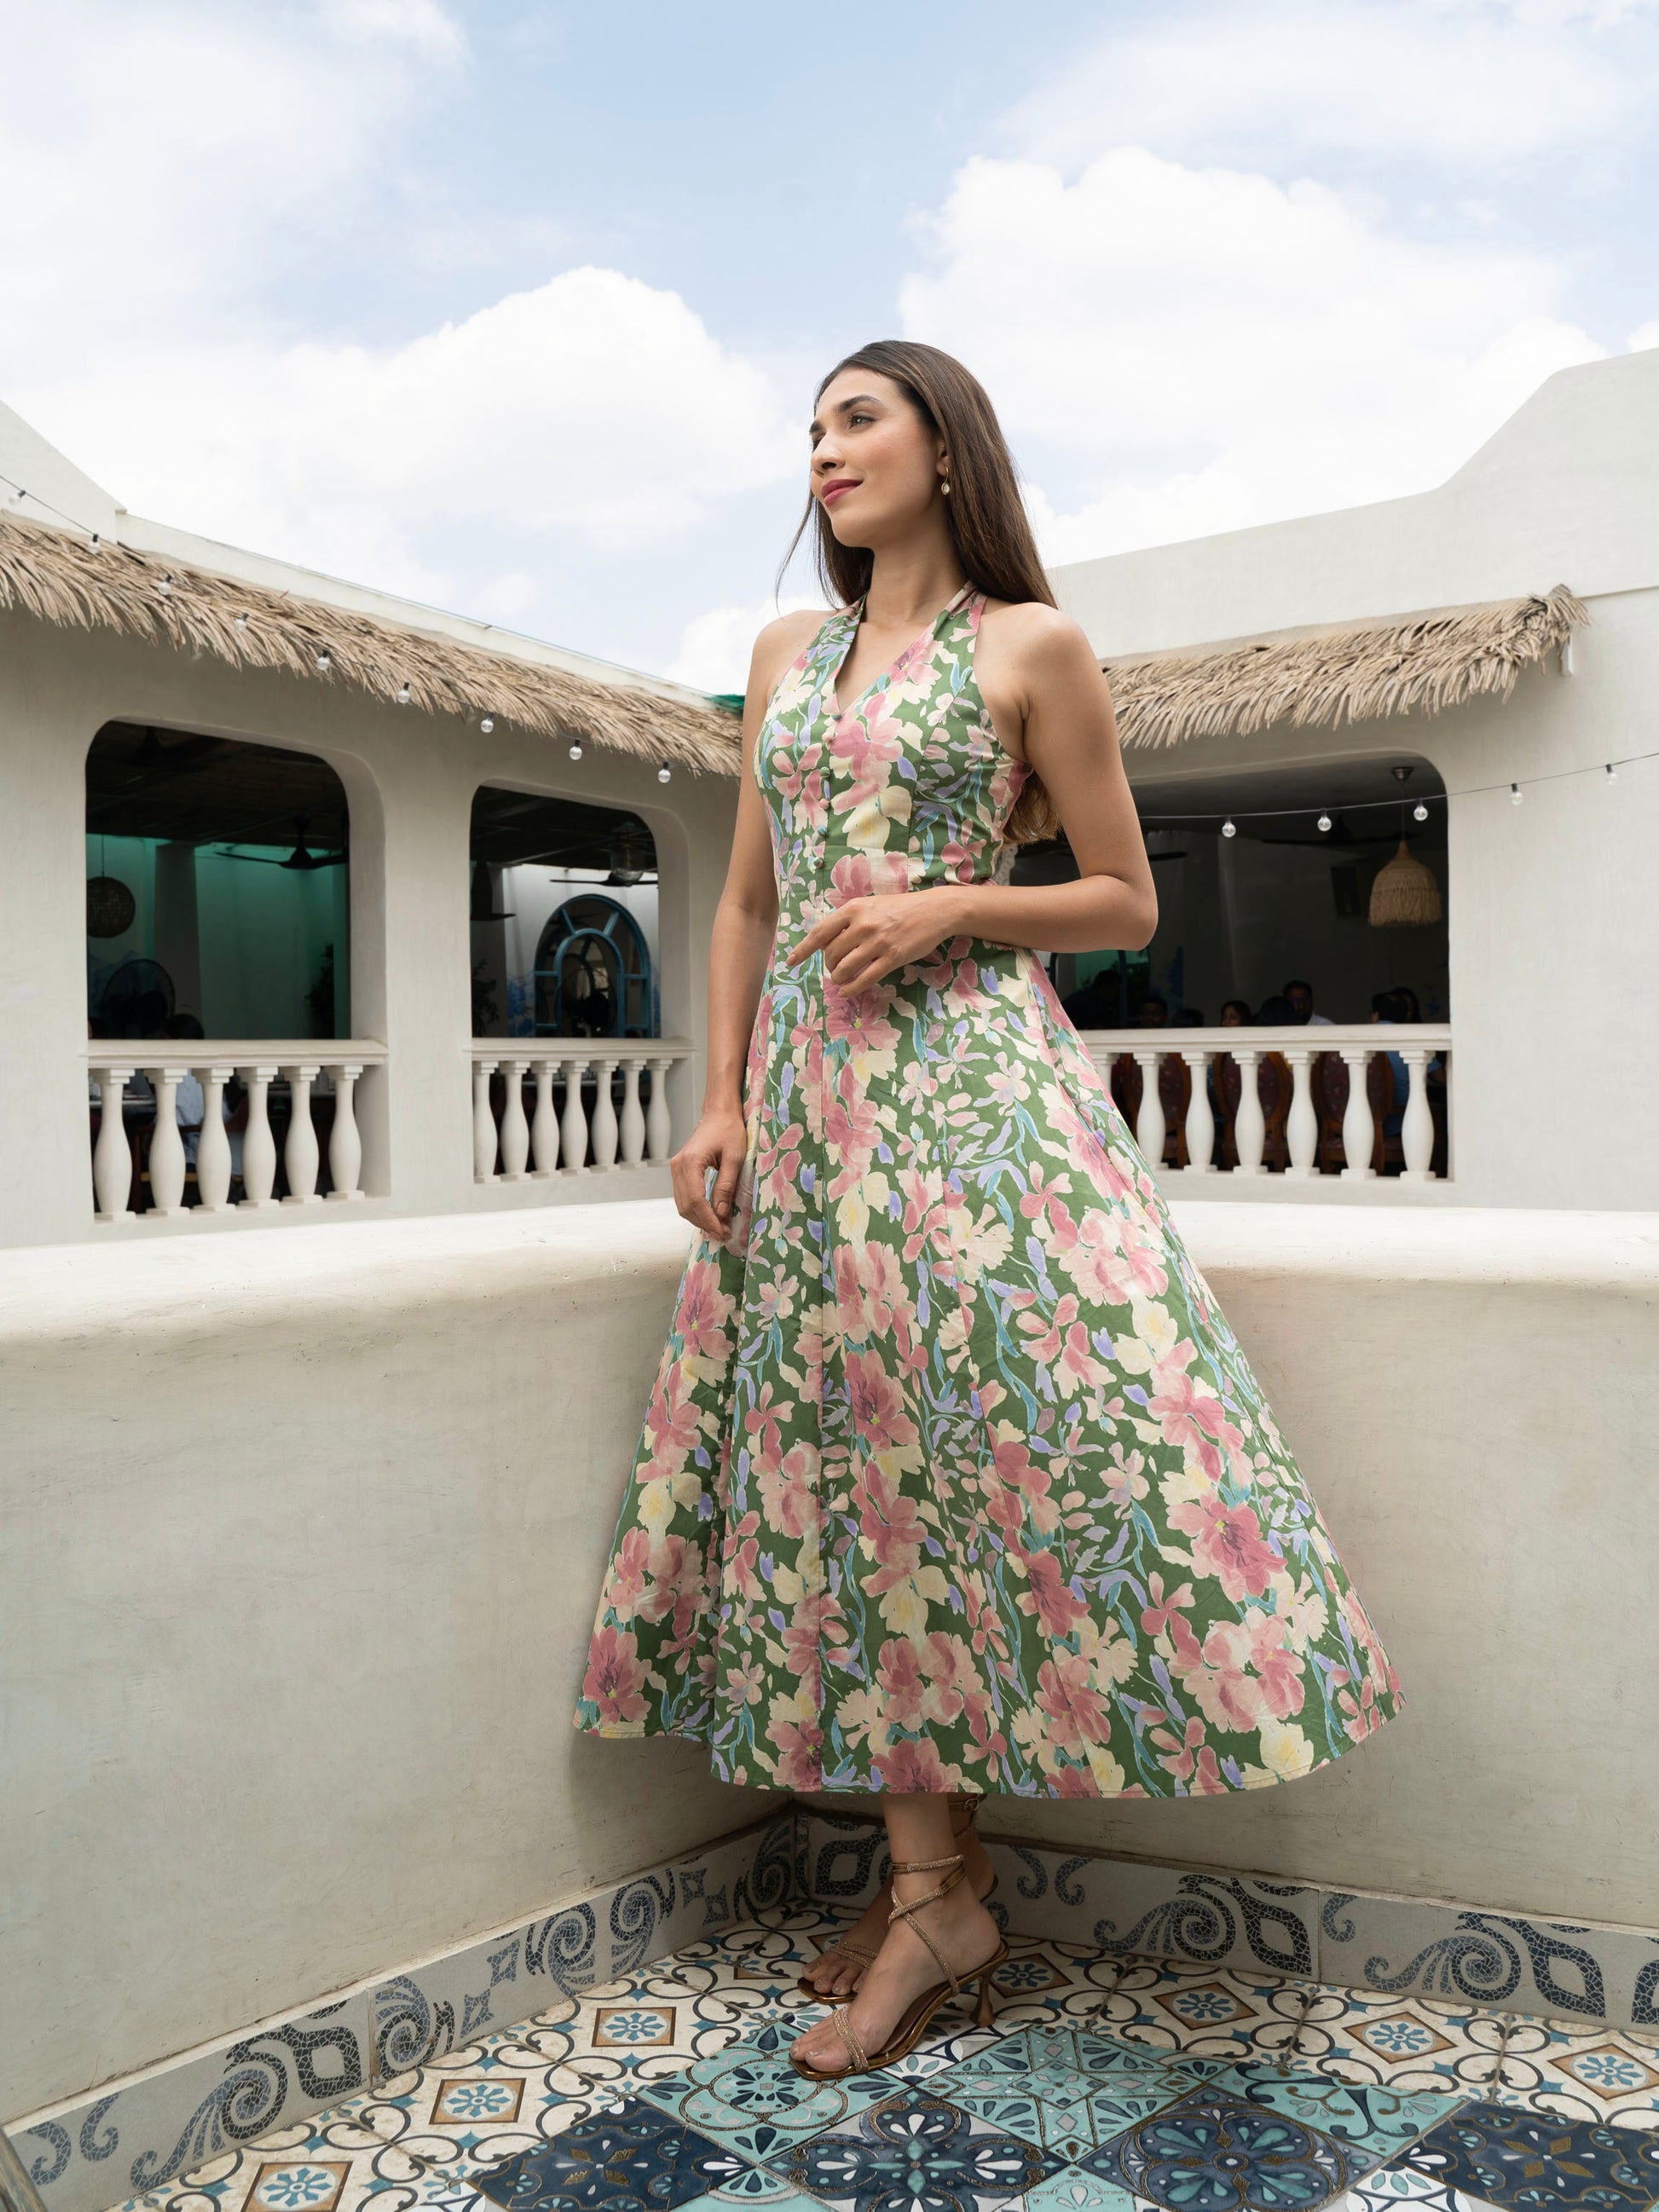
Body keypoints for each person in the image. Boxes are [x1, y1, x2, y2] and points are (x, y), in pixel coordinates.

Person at [573, 339, 1402, 2082]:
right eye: (808, 431)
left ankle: (941, 1890)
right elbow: (741, 903)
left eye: (855, 418)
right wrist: (718, 1094)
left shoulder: (1032, 647)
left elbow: (1116, 896)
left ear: (945, 446)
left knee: (978, 1467)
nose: (822, 451)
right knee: (852, 1488)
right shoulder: (783, 656)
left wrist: (949, 902)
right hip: (806, 1124)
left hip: (968, 1115)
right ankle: (931, 1880)